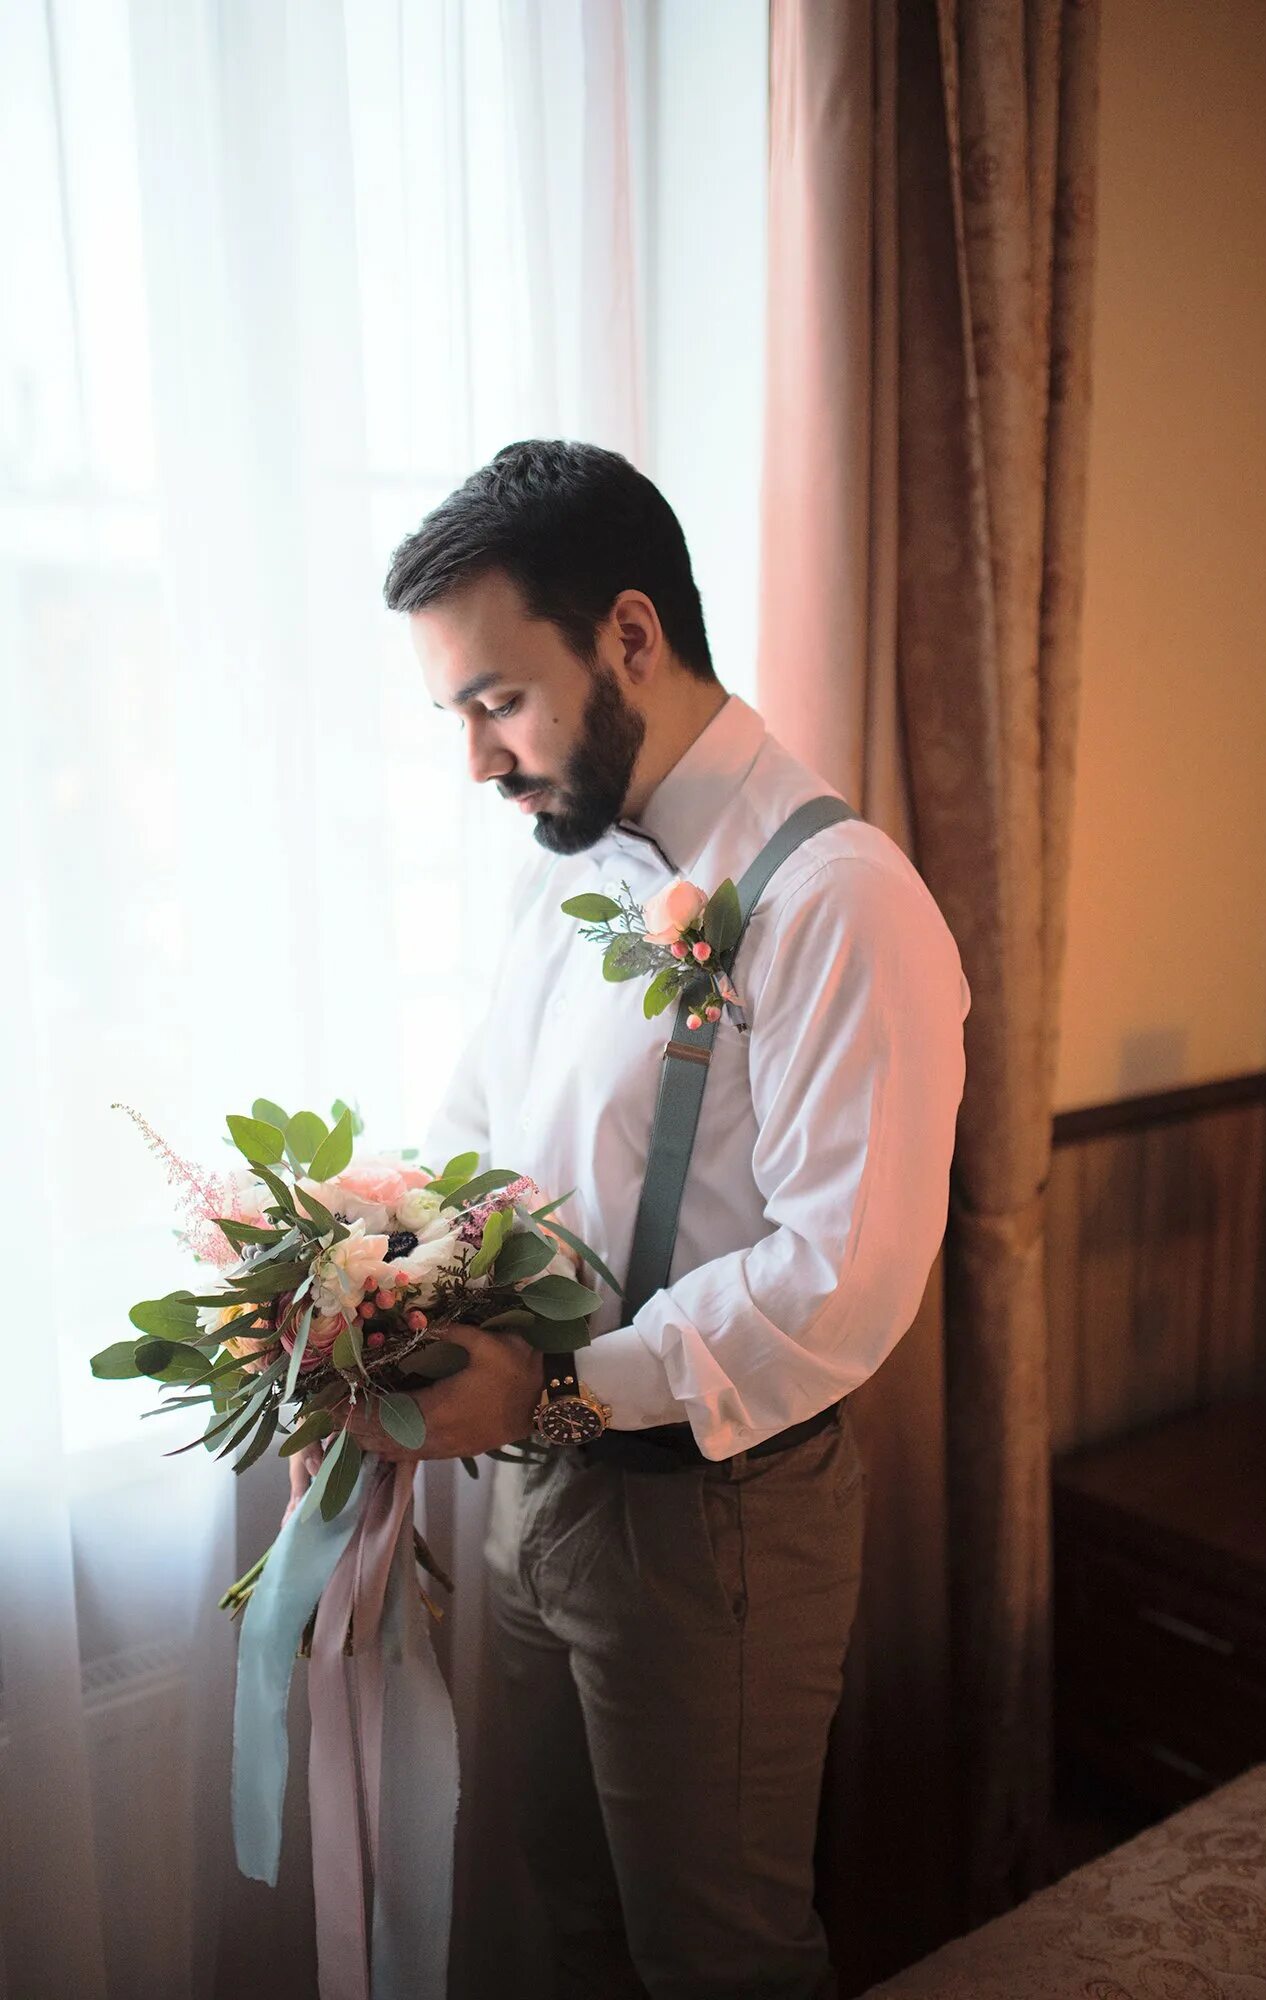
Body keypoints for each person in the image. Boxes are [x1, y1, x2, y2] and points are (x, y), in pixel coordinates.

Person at [287, 439, 971, 1999]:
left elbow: (839, 1279)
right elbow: (482, 1126)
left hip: (713, 1521)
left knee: (713, 1960)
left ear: (632, 638)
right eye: (456, 714)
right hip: (534, 1495)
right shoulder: (568, 861)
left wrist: (566, 1387)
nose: (476, 759)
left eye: (495, 700)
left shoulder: (842, 901)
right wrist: (370, 1271)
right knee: (564, 1926)